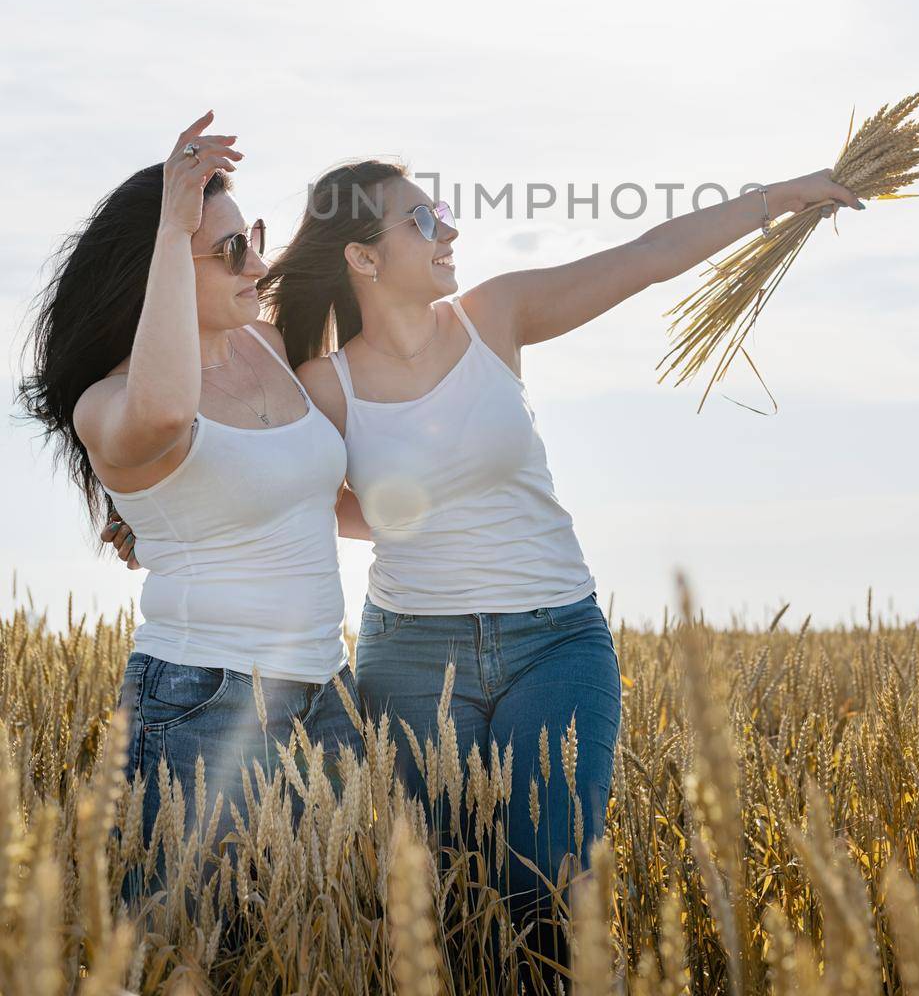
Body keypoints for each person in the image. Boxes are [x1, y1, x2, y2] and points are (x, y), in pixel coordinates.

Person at [254, 152, 863, 973]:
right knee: (449, 910)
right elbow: (296, 496)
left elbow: (643, 259)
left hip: (556, 642)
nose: (450, 229)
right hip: (412, 659)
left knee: (549, 893)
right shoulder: (325, 386)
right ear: (362, 258)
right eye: (423, 220)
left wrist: (781, 198)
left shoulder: (493, 315)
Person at [17, 111, 366, 903]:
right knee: (193, 957)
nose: (258, 263)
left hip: (327, 693)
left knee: (323, 946)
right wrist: (174, 232)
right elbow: (169, 414)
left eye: (258, 235)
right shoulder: (108, 404)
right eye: (231, 249)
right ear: (161, 268)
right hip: (205, 702)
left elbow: (328, 497)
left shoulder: (273, 348)